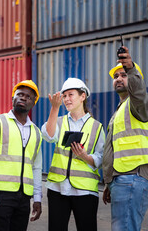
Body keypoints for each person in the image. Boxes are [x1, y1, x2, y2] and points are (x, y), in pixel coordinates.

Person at [102, 46, 148, 231]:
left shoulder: (139, 103)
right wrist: (110, 180)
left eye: (123, 75)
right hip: (123, 178)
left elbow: (139, 92)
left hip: (135, 176)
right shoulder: (120, 110)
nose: (119, 78)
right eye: (115, 76)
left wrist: (131, 68)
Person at [0, 80, 43, 231]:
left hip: (24, 197)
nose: (23, 98)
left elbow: (36, 167)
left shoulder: (36, 132)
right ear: (13, 99)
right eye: (20, 94)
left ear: (33, 103)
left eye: (28, 97)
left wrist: (37, 198)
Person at [41, 78, 105, 231]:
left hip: (85, 191)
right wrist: (54, 109)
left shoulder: (97, 127)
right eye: (64, 96)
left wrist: (85, 157)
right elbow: (48, 136)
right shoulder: (59, 121)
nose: (67, 99)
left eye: (71, 95)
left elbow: (101, 157)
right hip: (58, 188)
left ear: (83, 96)